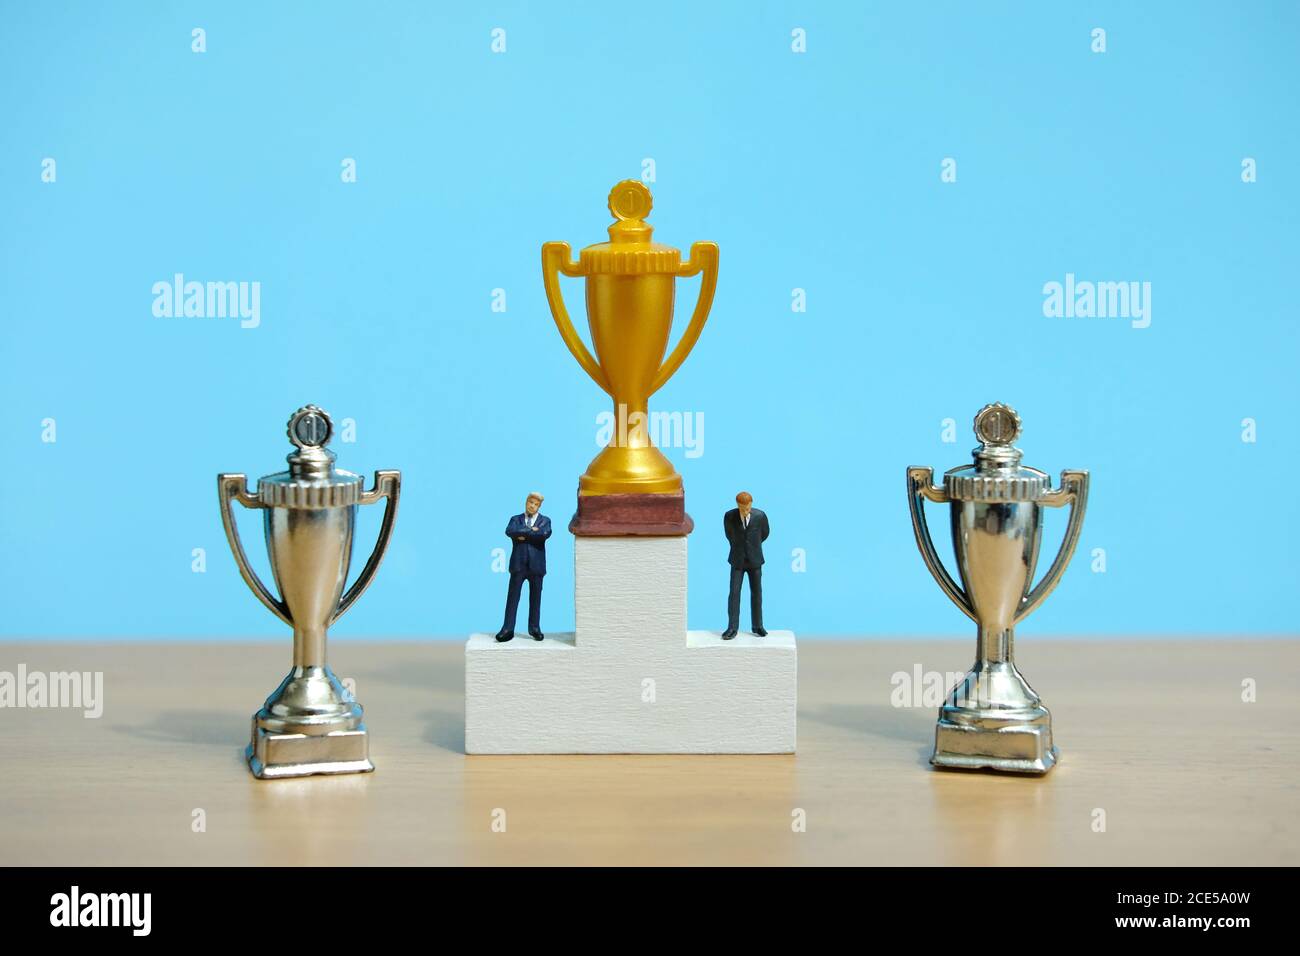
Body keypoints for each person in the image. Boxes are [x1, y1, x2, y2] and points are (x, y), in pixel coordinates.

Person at [496, 492, 551, 642]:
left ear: (539, 506)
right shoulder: (516, 519)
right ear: (526, 502)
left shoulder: (545, 521)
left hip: (536, 565)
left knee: (535, 598)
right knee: (513, 597)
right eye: (530, 502)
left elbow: (544, 534)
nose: (532, 506)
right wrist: (531, 531)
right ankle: (508, 628)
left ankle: (534, 628)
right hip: (518, 564)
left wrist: (523, 535)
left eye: (535, 504)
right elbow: (510, 531)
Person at [722, 491, 768, 639]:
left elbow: (765, 533)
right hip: (737, 560)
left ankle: (758, 625)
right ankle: (732, 627)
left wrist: (753, 547)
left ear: (751, 504)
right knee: (734, 594)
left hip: (755, 560)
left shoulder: (760, 516)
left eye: (747, 508)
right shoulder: (729, 516)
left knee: (757, 594)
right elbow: (729, 535)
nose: (745, 511)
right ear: (738, 505)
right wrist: (739, 547)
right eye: (742, 508)